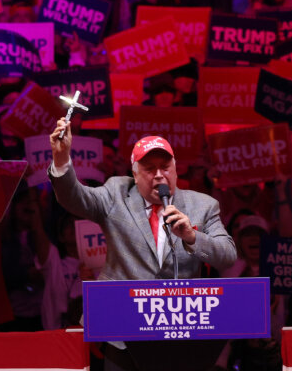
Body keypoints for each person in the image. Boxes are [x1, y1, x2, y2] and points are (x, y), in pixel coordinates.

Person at [48, 118, 236, 280]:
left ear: (176, 170)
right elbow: (74, 198)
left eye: (165, 167)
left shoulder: (203, 205)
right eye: (149, 169)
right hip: (121, 308)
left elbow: (227, 257)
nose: (159, 175)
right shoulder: (116, 193)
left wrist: (191, 236)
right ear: (135, 175)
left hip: (178, 313)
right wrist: (61, 160)